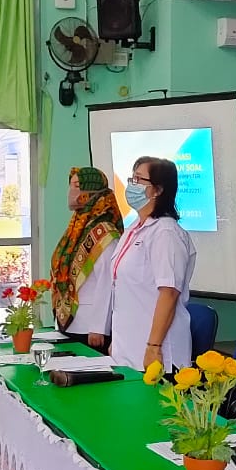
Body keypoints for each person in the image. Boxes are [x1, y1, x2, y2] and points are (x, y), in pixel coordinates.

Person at [90, 157, 197, 372]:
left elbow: (169, 293)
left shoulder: (166, 232)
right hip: (129, 349)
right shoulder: (134, 229)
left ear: (157, 190)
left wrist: (154, 346)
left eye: (139, 179)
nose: (131, 185)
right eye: (132, 178)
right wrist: (118, 342)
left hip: (158, 354)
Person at [50, 167, 123, 352]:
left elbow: (107, 282)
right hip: (69, 323)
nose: (71, 191)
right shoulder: (76, 228)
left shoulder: (105, 233)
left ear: (91, 191)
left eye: (77, 186)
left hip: (90, 329)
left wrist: (99, 327)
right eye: (70, 185)